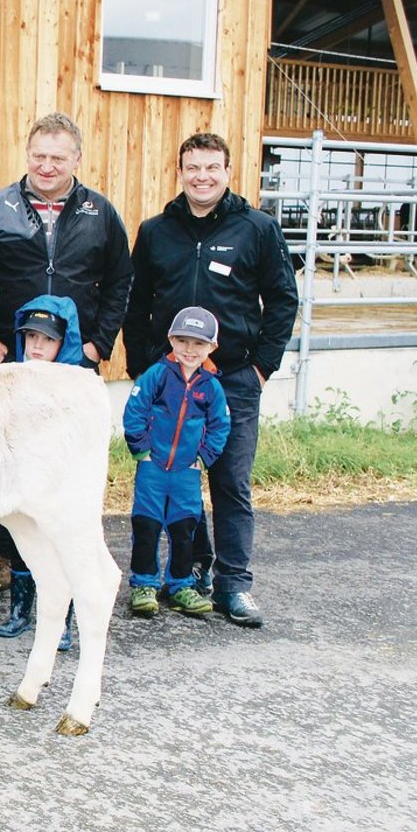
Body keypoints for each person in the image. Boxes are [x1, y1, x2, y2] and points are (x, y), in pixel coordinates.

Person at [124, 132, 299, 628]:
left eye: (211, 167)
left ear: (227, 171)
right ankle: (190, 571)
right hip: (169, 380)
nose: (202, 176)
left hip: (234, 380)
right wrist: (144, 366)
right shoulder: (156, 230)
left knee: (230, 482)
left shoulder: (257, 229)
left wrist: (262, 366)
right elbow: (137, 304)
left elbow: (283, 299)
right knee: (174, 477)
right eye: (192, 167)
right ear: (179, 171)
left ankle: (234, 585)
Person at [0, 111, 133, 587]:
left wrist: (98, 344)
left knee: (61, 461)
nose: (46, 166)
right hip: (12, 360)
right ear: (27, 155)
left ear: (76, 159)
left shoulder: (99, 213)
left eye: (57, 158)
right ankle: (10, 558)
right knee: (8, 458)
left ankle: (62, 554)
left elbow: (120, 281)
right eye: (39, 156)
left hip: (71, 364)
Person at [0, 296, 85, 652]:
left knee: (60, 549)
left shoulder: (74, 384)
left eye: (47, 339)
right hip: (21, 481)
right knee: (20, 545)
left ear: (64, 342)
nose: (37, 345)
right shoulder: (13, 378)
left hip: (59, 483)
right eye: (31, 337)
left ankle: (61, 621)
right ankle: (19, 611)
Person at [123, 307, 230, 619]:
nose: (189, 350)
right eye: (182, 340)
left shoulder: (211, 386)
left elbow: (220, 425)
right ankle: (143, 584)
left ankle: (181, 584)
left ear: (212, 347)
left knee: (184, 527)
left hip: (186, 472)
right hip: (153, 468)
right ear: (170, 339)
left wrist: (203, 458)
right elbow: (135, 412)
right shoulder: (156, 376)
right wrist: (141, 451)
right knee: (146, 525)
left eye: (198, 344)